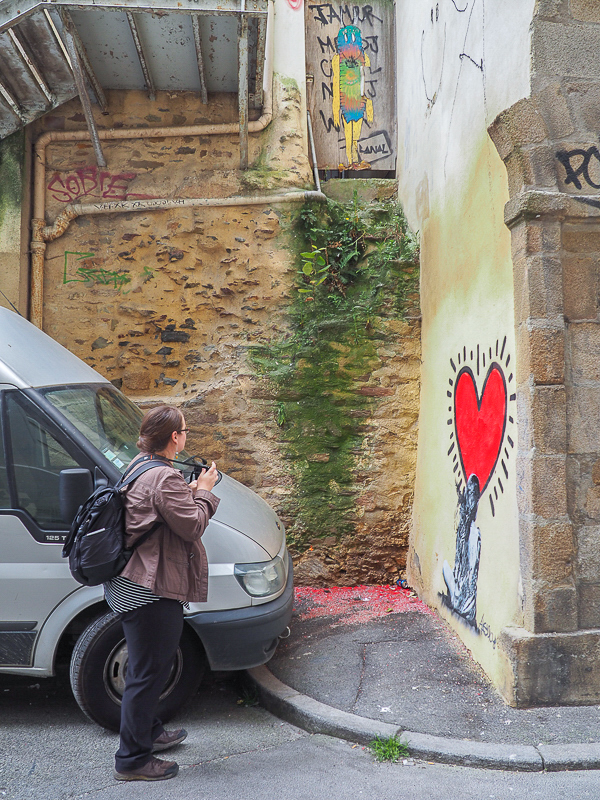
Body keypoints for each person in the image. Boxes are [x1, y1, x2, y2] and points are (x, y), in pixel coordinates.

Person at [104, 405, 219, 782]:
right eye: (184, 430)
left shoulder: (142, 463)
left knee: (145, 666)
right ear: (175, 437)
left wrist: (186, 490)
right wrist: (204, 491)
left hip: (128, 583)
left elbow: (154, 508)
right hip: (148, 590)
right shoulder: (163, 477)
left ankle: (149, 732)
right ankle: (132, 760)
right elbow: (192, 527)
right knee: (147, 673)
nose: (186, 435)